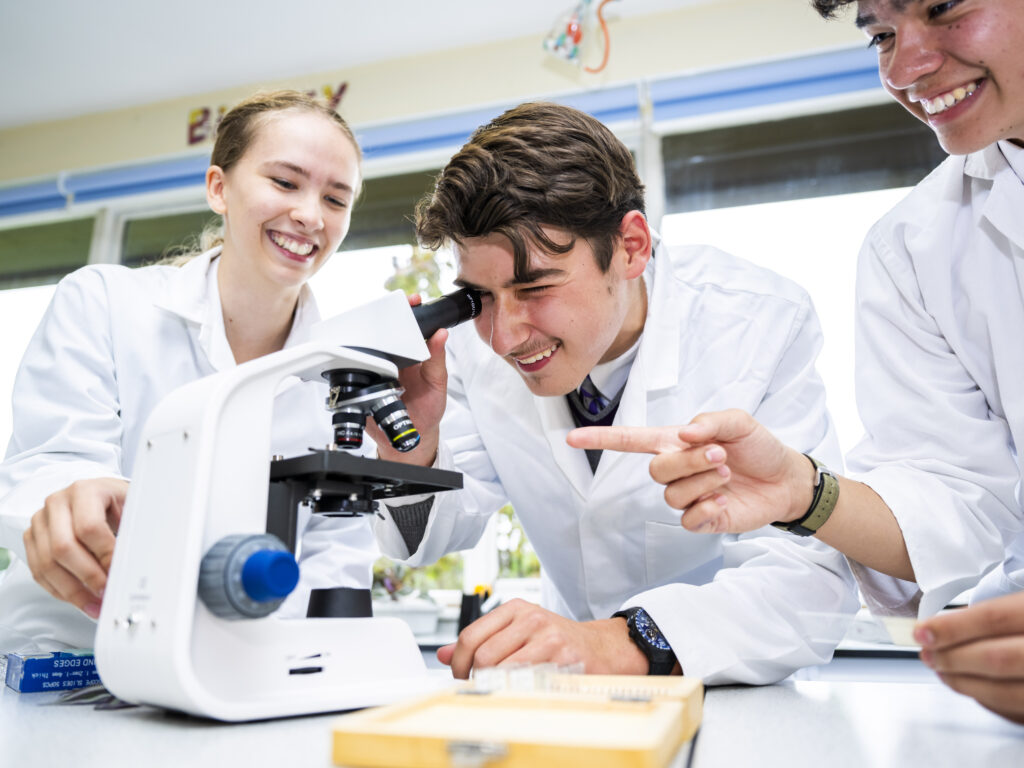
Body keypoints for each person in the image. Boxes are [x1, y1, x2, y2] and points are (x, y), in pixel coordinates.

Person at [571, 0, 1024, 723]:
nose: (905, 68)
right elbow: (958, 510)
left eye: (945, 10)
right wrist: (804, 492)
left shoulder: (755, 310)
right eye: (881, 35)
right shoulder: (913, 247)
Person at [370, 101, 858, 684]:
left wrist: (620, 641)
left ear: (630, 247)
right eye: (483, 298)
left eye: (535, 286)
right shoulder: (473, 352)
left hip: (729, 689)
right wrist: (412, 448)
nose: (503, 337)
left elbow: (809, 581)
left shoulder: (759, 324)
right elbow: (425, 540)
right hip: (578, 694)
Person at [0, 90, 377, 651]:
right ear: (218, 188)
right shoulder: (104, 303)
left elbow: (336, 552)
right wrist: (80, 500)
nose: (310, 214)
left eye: (336, 199)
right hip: (74, 653)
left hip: (245, 670)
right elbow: (54, 466)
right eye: (285, 182)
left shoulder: (343, 377)